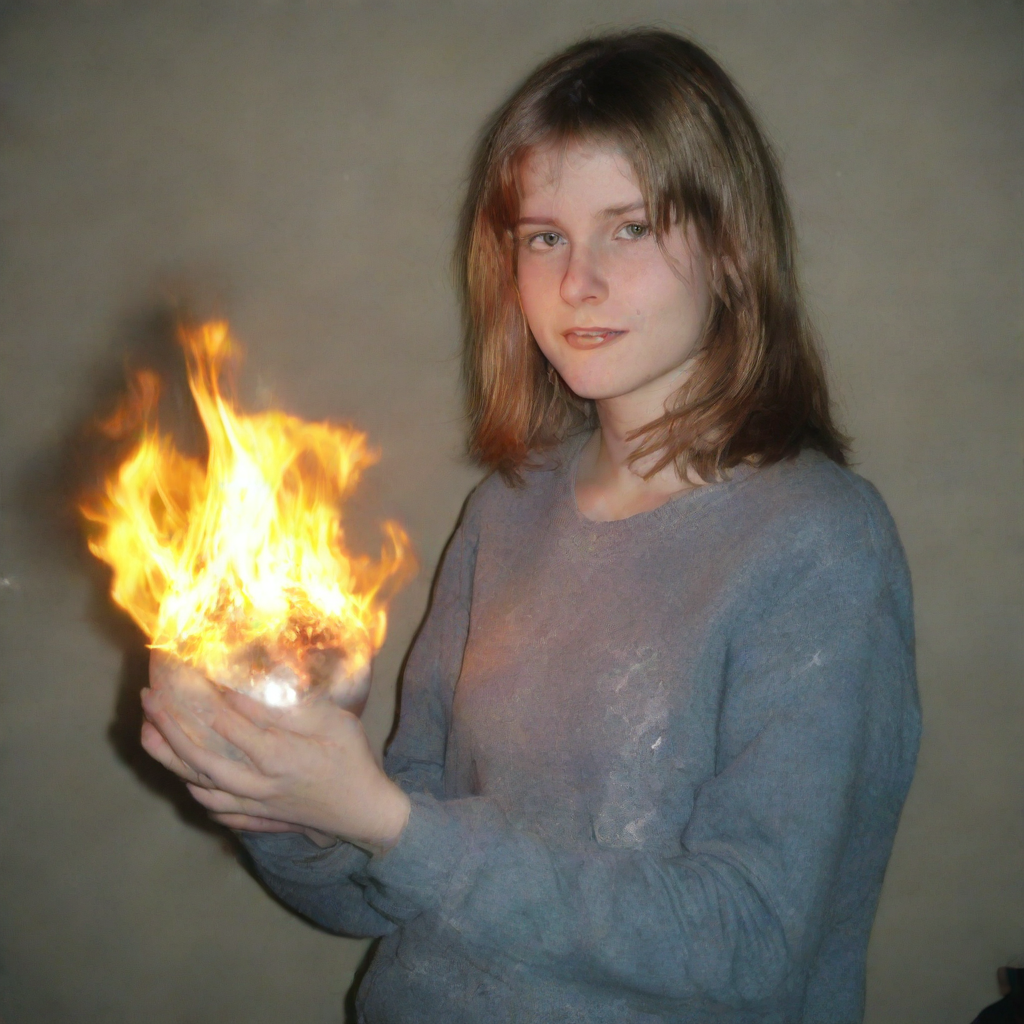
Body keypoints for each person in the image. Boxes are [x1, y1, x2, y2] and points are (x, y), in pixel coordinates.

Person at [140, 29, 921, 1023]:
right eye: (543, 236)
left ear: (729, 250)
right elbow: (381, 892)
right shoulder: (506, 510)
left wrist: (385, 820)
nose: (576, 281)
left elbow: (754, 941)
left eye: (628, 228)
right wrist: (279, 802)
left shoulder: (817, 540)